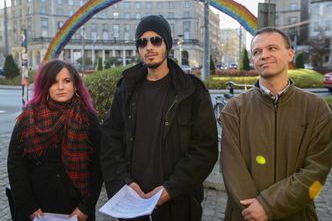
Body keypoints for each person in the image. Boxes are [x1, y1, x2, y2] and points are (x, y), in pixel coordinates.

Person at [101, 14, 218, 221]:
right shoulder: (126, 89)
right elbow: (110, 141)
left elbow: (204, 150)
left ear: (167, 44)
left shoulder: (192, 91)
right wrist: (124, 184)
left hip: (177, 205)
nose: (149, 47)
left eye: (156, 40)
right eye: (142, 42)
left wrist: (170, 189)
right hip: (132, 203)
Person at [220, 27, 332, 221]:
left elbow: (317, 170)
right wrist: (253, 211)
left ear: (290, 54)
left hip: (298, 215)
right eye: (257, 52)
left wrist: (269, 206)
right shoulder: (234, 109)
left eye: (272, 48)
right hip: (245, 215)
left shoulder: (316, 109)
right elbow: (232, 169)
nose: (264, 55)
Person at [7, 60, 103, 221]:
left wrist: (85, 207)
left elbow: (97, 166)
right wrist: (29, 206)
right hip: (37, 209)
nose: (61, 87)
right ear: (45, 86)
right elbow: (16, 164)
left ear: (75, 85)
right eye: (54, 82)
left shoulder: (88, 118)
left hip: (76, 209)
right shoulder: (28, 118)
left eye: (66, 81)